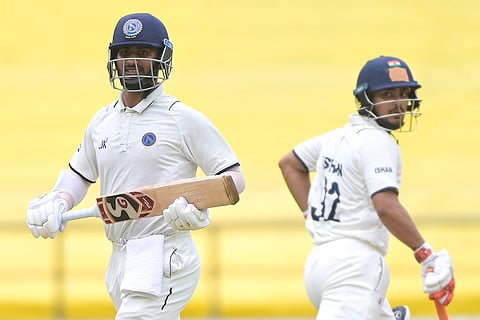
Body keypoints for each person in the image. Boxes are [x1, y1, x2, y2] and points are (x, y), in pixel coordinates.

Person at [26, 13, 246, 320]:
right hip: (119, 255)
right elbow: (80, 175)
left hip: (163, 250)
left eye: (142, 53)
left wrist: (196, 207)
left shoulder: (181, 118)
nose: (131, 61)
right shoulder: (102, 121)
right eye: (124, 54)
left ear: (162, 58)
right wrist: (58, 200)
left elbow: (233, 178)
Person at [278, 56, 455, 320]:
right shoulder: (377, 140)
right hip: (354, 267)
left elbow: (290, 164)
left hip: (319, 264)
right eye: (387, 94)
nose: (398, 103)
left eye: (404, 93)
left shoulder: (337, 137)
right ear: (365, 99)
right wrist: (425, 253)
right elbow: (385, 205)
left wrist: (311, 214)